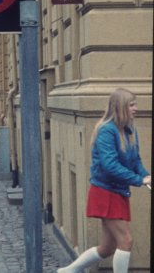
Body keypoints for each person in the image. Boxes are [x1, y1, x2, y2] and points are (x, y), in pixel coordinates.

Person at [58, 88, 151, 273]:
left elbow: (136, 161)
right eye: (131, 105)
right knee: (126, 241)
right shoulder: (107, 130)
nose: (136, 109)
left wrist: (146, 176)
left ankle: (68, 271)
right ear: (121, 107)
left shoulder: (129, 130)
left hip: (118, 192)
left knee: (107, 248)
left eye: (135, 104)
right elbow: (110, 166)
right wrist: (138, 180)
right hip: (105, 192)